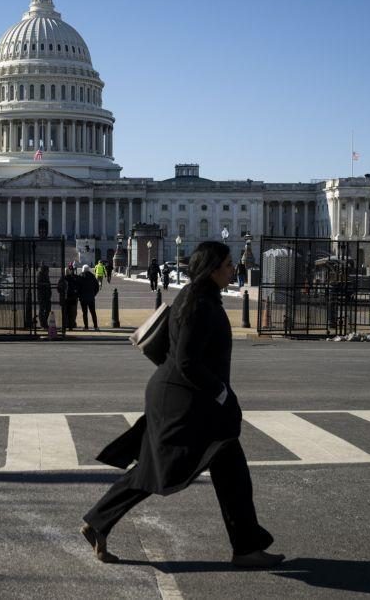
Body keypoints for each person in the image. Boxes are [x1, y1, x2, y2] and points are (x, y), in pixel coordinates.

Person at [80, 241, 284, 569]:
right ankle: (99, 521)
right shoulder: (200, 304)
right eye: (229, 264)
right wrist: (221, 393)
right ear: (213, 268)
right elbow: (187, 361)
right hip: (187, 402)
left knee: (228, 472)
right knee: (160, 471)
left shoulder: (197, 298)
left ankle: (245, 547)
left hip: (184, 397)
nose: (234, 269)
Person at [56, 264, 80, 330]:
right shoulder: (73, 278)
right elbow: (76, 287)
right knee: (71, 313)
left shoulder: (62, 279)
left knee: (65, 313)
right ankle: (70, 325)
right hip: (72, 298)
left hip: (65, 298)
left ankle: (65, 325)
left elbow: (58, 288)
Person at [78, 264, 100, 330]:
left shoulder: (80, 276)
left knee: (85, 313)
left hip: (83, 298)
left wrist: (79, 295)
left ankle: (86, 326)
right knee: (93, 312)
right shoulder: (92, 276)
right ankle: (95, 326)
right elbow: (97, 287)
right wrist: (94, 294)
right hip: (91, 297)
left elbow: (78, 287)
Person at [36, 264, 52, 329]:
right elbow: (39, 284)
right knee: (42, 309)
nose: (48, 272)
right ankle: (43, 324)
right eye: (47, 270)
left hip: (47, 295)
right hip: (42, 295)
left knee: (48, 309)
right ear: (44, 270)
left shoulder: (46, 275)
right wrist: (46, 284)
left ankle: (44, 322)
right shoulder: (40, 275)